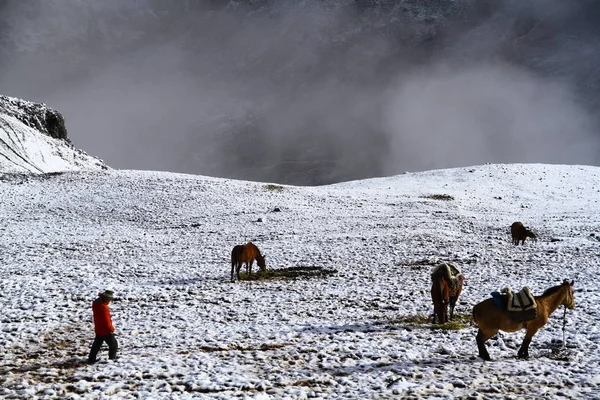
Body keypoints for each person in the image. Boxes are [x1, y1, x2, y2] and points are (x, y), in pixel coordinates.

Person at [87, 289, 118, 364]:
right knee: (113, 344)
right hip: (105, 330)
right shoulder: (103, 307)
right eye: (109, 300)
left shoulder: (96, 304)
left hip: (98, 328)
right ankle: (112, 359)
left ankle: (91, 358)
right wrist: (111, 329)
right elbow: (106, 321)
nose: (109, 301)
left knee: (97, 344)